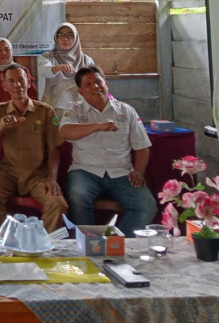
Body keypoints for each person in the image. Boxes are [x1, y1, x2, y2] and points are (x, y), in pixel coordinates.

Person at [58, 66, 156, 237]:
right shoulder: (74, 110)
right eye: (88, 84)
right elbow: (65, 132)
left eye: (98, 82)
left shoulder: (126, 110)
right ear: (80, 91)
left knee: (147, 206)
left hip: (121, 173)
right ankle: (89, 244)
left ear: (106, 84)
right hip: (85, 171)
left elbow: (142, 146)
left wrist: (139, 172)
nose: (95, 87)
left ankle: (115, 241)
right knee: (78, 198)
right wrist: (98, 126)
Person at [0, 64, 67, 233]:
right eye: (11, 81)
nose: (17, 85)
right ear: (4, 86)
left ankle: (45, 243)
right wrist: (2, 126)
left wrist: (52, 178)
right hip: (9, 172)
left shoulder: (45, 111)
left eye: (21, 80)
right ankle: (6, 240)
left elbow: (54, 148)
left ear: (28, 83)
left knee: (58, 204)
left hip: (39, 173)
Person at [38, 22, 95, 113]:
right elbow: (43, 70)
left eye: (70, 35)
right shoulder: (48, 56)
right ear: (56, 38)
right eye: (61, 35)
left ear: (76, 38)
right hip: (55, 108)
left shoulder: (86, 60)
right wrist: (58, 68)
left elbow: (93, 80)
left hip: (81, 108)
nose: (65, 39)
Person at [0, 38, 38, 115]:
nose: (3, 53)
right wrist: (7, 75)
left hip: (20, 115)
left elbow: (33, 94)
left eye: (7, 49)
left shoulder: (22, 70)